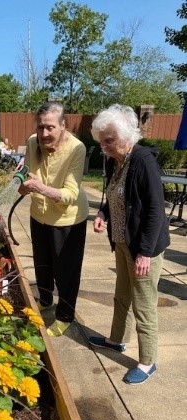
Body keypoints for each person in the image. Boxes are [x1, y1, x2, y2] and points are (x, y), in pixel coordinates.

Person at [88, 104, 170, 385]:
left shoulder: (143, 161)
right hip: (122, 242)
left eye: (108, 140)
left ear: (127, 136)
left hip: (143, 248)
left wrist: (145, 252)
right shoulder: (115, 161)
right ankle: (117, 340)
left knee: (143, 305)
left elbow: (156, 211)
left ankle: (148, 362)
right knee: (121, 295)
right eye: (102, 141)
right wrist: (102, 214)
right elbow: (114, 196)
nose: (104, 147)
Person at [18, 101, 89, 337]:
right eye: (40, 127)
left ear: (63, 126)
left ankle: (65, 315)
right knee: (42, 263)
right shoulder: (32, 141)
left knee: (66, 271)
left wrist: (39, 187)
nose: (44, 133)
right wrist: (22, 185)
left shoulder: (77, 149)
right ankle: (46, 299)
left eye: (50, 128)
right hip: (39, 215)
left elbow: (70, 194)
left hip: (68, 220)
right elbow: (28, 171)